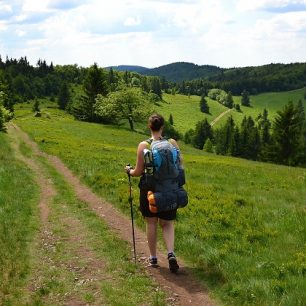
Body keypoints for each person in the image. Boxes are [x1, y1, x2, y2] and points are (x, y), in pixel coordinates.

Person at [125, 113, 181, 273]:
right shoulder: (172, 143)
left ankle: (153, 258)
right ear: (162, 127)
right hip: (170, 188)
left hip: (149, 189)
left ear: (149, 126)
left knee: (151, 222)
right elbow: (180, 164)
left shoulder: (144, 145)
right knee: (167, 223)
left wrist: (128, 171)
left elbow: (138, 171)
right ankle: (170, 253)